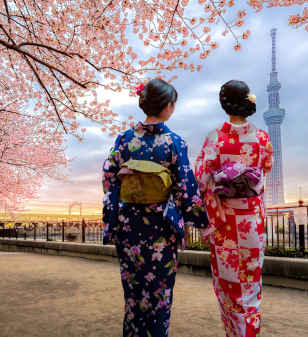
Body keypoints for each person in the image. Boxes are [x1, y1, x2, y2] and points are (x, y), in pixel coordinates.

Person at [102, 78, 209, 337]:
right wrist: (201, 222)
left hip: (129, 225)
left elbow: (108, 175)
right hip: (161, 228)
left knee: (134, 294)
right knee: (160, 295)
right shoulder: (174, 142)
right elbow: (185, 187)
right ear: (168, 107)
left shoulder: (125, 139)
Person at [194, 80, 274, 337]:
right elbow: (267, 166)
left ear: (224, 103)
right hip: (252, 222)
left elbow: (201, 179)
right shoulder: (261, 137)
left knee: (228, 286)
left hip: (225, 223)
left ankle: (233, 333)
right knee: (251, 286)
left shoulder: (214, 138)